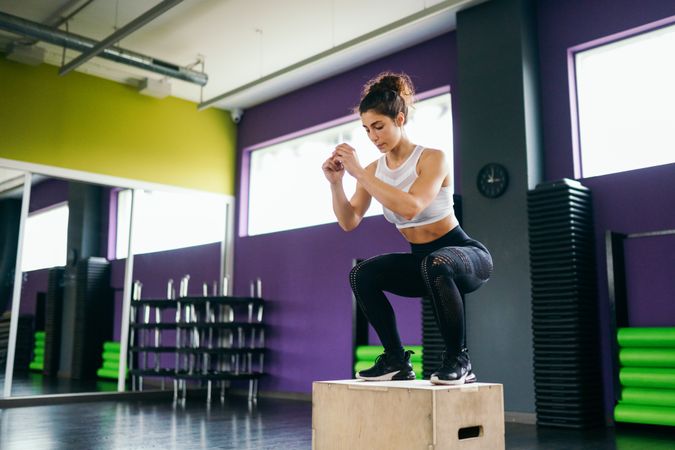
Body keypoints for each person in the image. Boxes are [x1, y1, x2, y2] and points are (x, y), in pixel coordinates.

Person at [321, 72, 493, 385]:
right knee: (361, 274)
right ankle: (396, 360)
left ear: (399, 119)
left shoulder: (432, 158)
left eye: (379, 126)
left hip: (465, 257)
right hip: (423, 263)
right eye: (367, 129)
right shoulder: (374, 171)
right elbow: (349, 221)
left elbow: (412, 206)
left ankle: (459, 359)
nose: (373, 137)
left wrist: (360, 173)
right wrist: (336, 185)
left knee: (435, 262)